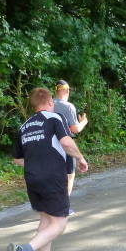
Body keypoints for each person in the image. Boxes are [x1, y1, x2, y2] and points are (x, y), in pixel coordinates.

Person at [6, 87, 88, 251]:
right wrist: (80, 158)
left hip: (32, 178)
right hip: (52, 177)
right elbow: (66, 143)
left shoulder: (24, 127)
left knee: (46, 220)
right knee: (59, 225)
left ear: (33, 105)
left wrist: (36, 164)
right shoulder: (54, 118)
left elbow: (17, 159)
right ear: (50, 102)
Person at [53, 80, 88, 214]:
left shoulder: (48, 104)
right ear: (67, 90)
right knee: (69, 175)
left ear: (56, 91)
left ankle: (50, 205)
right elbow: (75, 129)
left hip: (48, 144)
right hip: (64, 144)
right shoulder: (68, 106)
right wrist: (83, 122)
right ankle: (62, 207)